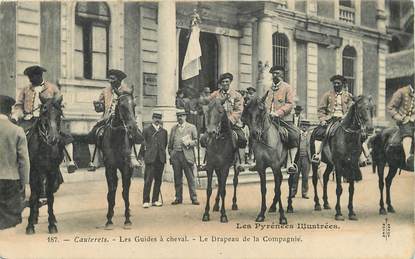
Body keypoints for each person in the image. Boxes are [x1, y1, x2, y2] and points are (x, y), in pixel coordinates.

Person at [11, 65, 76, 173]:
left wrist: (57, 105)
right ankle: (16, 162)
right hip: (29, 119)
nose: (31, 80)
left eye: (33, 77)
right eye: (29, 77)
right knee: (18, 135)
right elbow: (18, 105)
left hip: (48, 118)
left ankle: (70, 161)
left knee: (65, 135)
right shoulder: (25, 89)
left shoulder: (52, 88)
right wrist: (16, 115)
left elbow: (61, 102)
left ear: (39, 76)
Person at [86, 69, 143, 171]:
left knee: (138, 135)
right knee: (92, 134)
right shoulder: (105, 91)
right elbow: (101, 106)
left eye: (113, 79)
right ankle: (94, 161)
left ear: (119, 80)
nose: (110, 81)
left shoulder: (127, 90)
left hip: (125, 120)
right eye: (110, 79)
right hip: (107, 118)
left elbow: (131, 106)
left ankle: (134, 158)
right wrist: (98, 106)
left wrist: (132, 119)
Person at [199, 72, 247, 172]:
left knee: (242, 138)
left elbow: (239, 110)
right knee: (204, 138)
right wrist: (202, 100)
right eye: (223, 82)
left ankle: (240, 162)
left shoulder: (236, 95)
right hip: (216, 124)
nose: (225, 84)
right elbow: (207, 102)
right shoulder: (215, 94)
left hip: (232, 124)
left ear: (230, 82)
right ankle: (206, 161)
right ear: (220, 83)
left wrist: (230, 120)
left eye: (227, 82)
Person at [0, 95, 30, 230]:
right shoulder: (17, 131)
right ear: (10, 111)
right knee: (8, 222)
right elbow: (23, 161)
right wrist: (24, 184)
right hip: (10, 182)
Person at [264, 65, 300, 174]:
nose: (275, 76)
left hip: (284, 119)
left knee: (294, 134)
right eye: (273, 74)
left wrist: (278, 113)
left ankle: (291, 163)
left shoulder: (287, 87)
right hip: (268, 119)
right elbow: (265, 103)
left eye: (278, 73)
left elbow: (290, 104)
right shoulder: (269, 89)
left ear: (282, 75)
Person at [311, 74, 353, 164]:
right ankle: (317, 154)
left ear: (342, 84)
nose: (336, 85)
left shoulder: (348, 96)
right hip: (331, 120)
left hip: (344, 120)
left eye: (338, 83)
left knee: (356, 134)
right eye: (334, 83)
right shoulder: (327, 95)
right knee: (319, 132)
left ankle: (360, 156)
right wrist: (322, 120)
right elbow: (321, 109)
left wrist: (346, 117)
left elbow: (351, 109)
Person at [168, 109, 200, 205]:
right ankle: (178, 198)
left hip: (187, 156)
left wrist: (190, 143)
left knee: (190, 178)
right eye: (178, 116)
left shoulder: (191, 127)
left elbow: (197, 141)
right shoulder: (174, 128)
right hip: (176, 156)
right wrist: (171, 153)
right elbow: (170, 143)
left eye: (182, 116)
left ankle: (194, 198)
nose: (180, 118)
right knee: (177, 178)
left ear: (185, 117)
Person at [138, 111, 168, 208]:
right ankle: (146, 200)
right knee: (148, 180)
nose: (157, 120)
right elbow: (143, 144)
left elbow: (165, 144)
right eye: (155, 117)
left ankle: (155, 199)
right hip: (150, 159)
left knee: (158, 180)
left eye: (159, 118)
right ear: (152, 118)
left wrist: (162, 155)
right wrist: (142, 157)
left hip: (160, 159)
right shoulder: (146, 130)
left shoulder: (164, 132)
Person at [387, 83, 415, 171]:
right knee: (408, 135)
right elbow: (390, 107)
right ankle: (408, 159)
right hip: (404, 121)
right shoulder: (401, 92)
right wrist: (399, 117)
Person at [291, 120, 312, 199]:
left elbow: (312, 147)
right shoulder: (297, 135)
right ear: (300, 126)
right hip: (297, 158)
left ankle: (304, 192)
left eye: (306, 125)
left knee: (305, 176)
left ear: (308, 127)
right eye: (303, 125)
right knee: (295, 176)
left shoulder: (310, 136)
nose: (304, 127)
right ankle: (293, 192)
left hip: (306, 158)